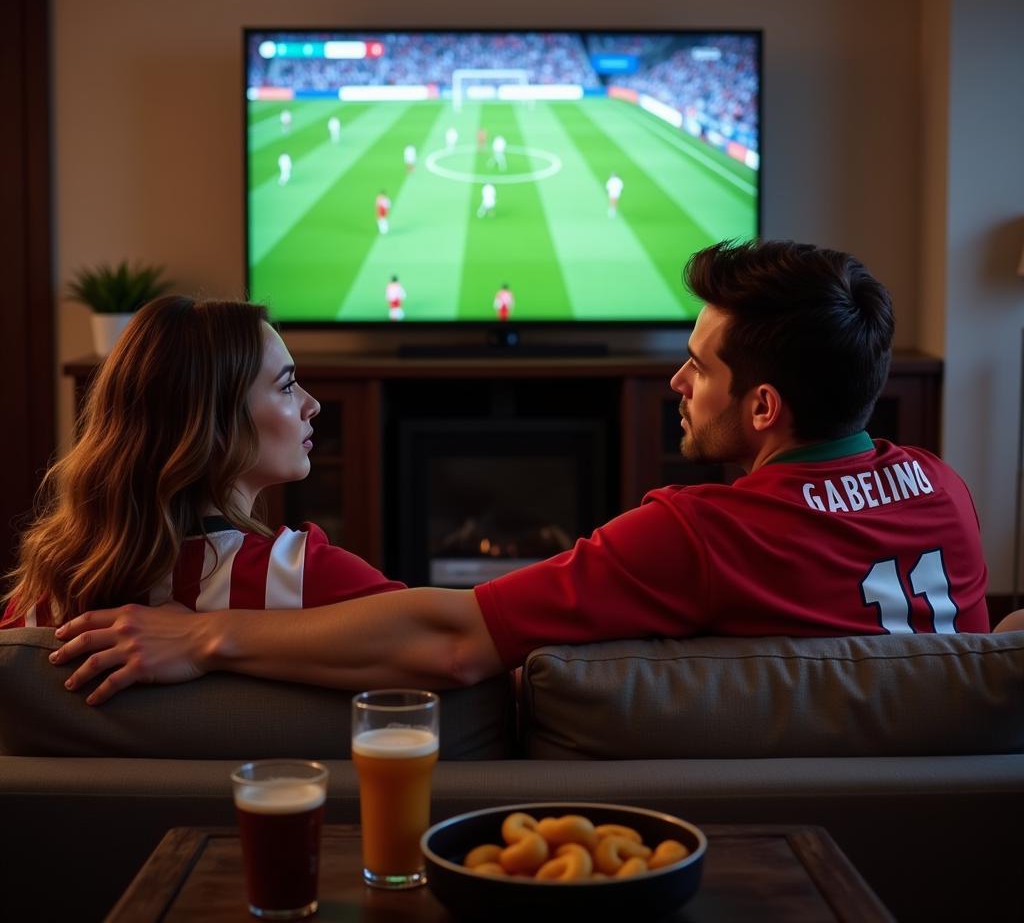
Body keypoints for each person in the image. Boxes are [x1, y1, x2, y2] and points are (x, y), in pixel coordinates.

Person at [46, 240, 991, 705]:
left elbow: (456, 643)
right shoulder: (948, 492)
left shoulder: (697, 533)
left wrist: (211, 637)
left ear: (763, 408)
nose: (676, 379)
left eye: (699, 365)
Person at [2, 298, 404, 631]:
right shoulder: (301, 578)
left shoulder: (40, 602)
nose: (311, 405)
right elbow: (461, 643)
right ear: (214, 426)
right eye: (286, 386)